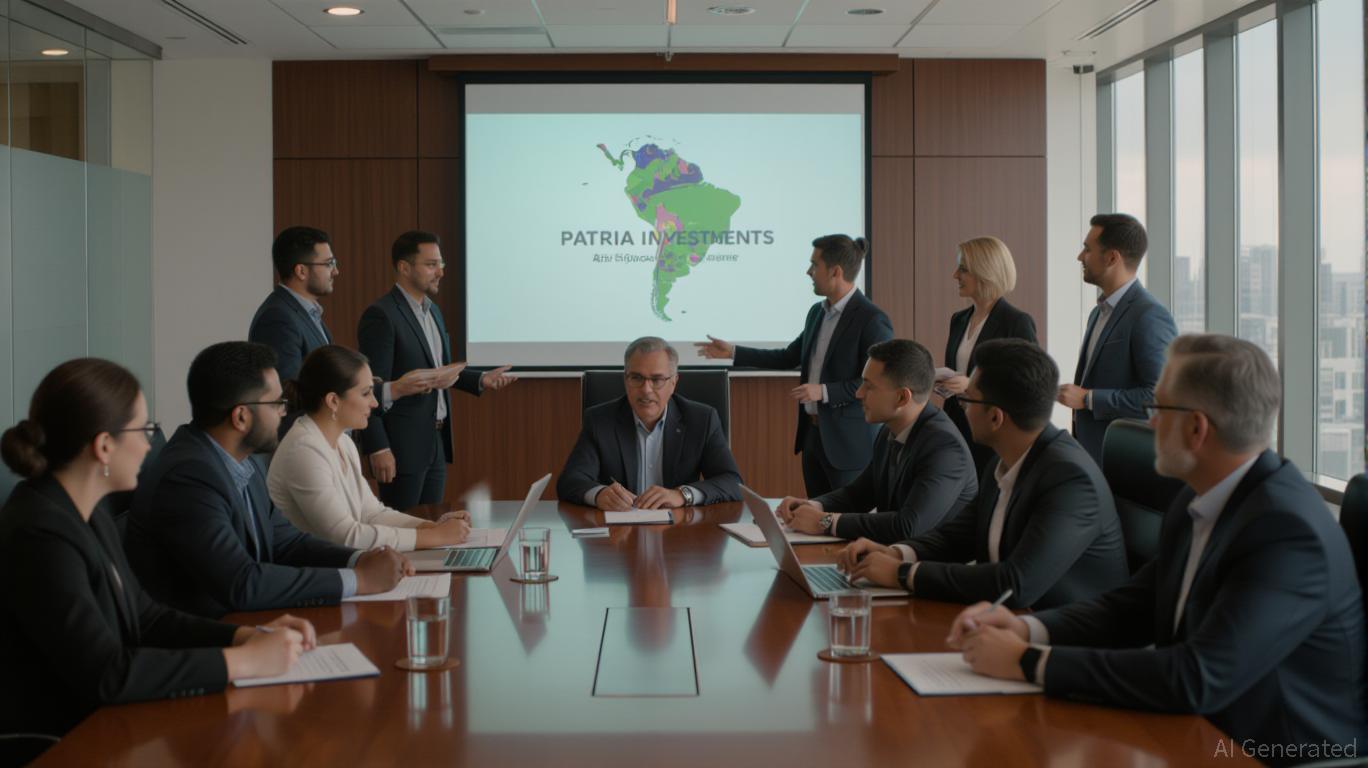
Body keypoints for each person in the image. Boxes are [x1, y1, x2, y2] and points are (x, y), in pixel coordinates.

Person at [948, 335, 1366, 761]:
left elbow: (1196, 676)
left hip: (1273, 753)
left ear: (1197, 428)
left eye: (1158, 409)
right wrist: (1028, 630)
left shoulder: (1286, 533)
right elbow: (1133, 606)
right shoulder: (1197, 497)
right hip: (1200, 733)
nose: (1149, 424)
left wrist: (1029, 662)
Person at [0, 358, 316, 760]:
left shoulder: (85, 510)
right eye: (145, 429)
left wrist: (245, 636)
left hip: (108, 723)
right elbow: (108, 673)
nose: (151, 444)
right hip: (62, 743)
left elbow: (147, 618)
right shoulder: (39, 532)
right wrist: (243, 662)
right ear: (104, 446)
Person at [125, 342, 412, 618]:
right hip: (206, 636)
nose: (284, 413)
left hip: (246, 621)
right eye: (277, 404)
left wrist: (359, 559)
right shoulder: (188, 477)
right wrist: (359, 580)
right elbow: (241, 582)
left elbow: (286, 543)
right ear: (241, 417)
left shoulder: (245, 460)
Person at [839, 339, 1128, 610]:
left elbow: (1014, 583)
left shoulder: (1071, 480)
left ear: (995, 417)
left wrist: (903, 574)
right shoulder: (1003, 460)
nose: (962, 410)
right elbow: (956, 538)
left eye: (967, 401)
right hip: (1003, 621)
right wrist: (897, 554)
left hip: (1058, 633)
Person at [696, 234, 893, 496]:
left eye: (814, 265)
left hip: (848, 445)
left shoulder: (872, 319)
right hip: (813, 438)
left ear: (835, 271)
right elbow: (788, 356)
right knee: (815, 513)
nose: (808, 272)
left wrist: (823, 391)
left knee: (845, 516)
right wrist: (733, 352)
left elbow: (877, 383)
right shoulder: (817, 312)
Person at [358, 230, 516, 509]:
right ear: (404, 267)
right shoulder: (382, 315)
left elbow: (437, 370)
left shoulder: (433, 311)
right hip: (401, 446)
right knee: (403, 526)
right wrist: (378, 446)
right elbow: (368, 387)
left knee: (431, 525)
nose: (440, 272)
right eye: (431, 265)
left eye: (440, 264)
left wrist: (481, 379)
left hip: (436, 441)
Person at [268, 345, 472, 551]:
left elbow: (372, 514)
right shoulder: (303, 449)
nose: (375, 403)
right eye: (366, 393)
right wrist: (435, 537)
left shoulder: (343, 441)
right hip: (314, 568)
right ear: (333, 401)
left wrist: (432, 527)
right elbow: (345, 536)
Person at [774, 339, 976, 544]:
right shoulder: (889, 428)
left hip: (928, 561)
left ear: (902, 398)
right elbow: (859, 494)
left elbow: (907, 526)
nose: (858, 393)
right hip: (890, 555)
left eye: (869, 386)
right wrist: (812, 506)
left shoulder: (944, 447)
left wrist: (824, 522)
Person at [557, 337, 742, 510]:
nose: (646, 390)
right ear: (625, 379)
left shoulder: (702, 419)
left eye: (657, 380)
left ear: (673, 382)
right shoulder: (600, 420)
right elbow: (570, 481)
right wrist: (599, 494)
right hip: (619, 529)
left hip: (679, 528)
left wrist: (683, 495)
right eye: (636, 378)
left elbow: (732, 482)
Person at [1058, 214, 1177, 466]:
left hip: (1123, 462)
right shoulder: (1097, 313)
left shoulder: (1149, 315)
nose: (1080, 257)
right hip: (1091, 455)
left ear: (1112, 257)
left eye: (1087, 249)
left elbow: (1160, 399)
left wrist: (1088, 399)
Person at [937, 236, 1038, 476]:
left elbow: (1029, 387)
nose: (955, 275)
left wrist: (971, 385)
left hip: (993, 436)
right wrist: (945, 382)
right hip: (956, 429)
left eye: (963, 269)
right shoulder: (958, 320)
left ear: (985, 272)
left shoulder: (1016, 322)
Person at [249, 226, 337, 386]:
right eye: (329, 264)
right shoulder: (277, 319)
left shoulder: (306, 311)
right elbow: (288, 390)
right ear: (301, 271)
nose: (335, 271)